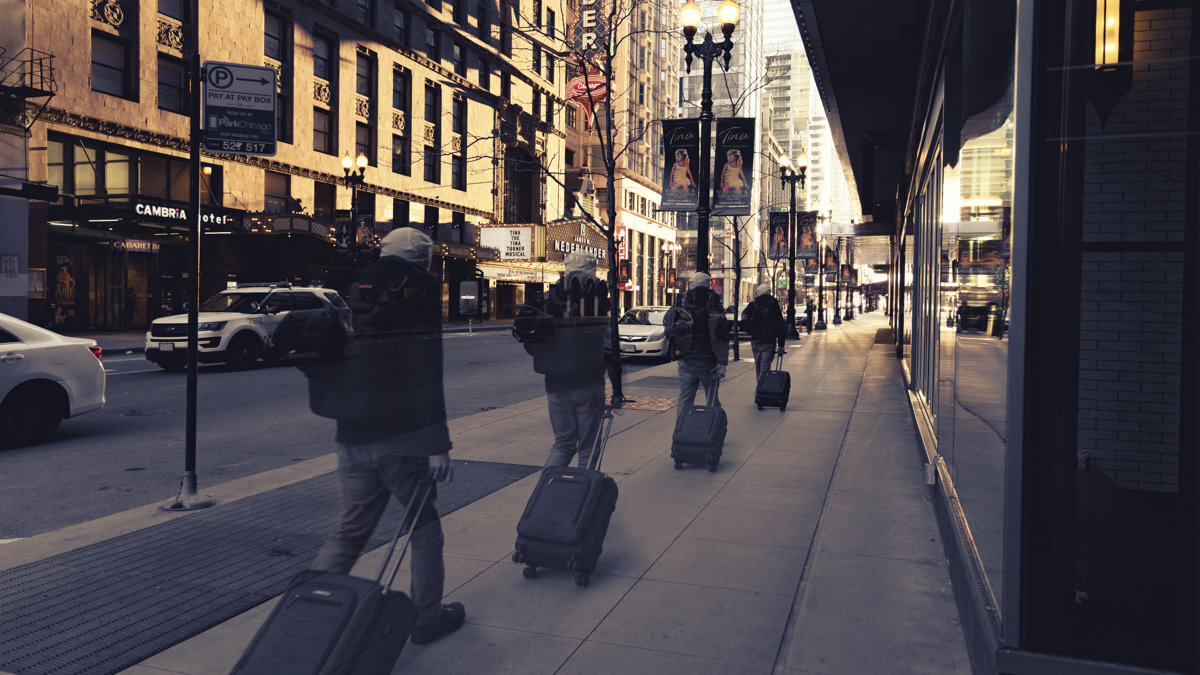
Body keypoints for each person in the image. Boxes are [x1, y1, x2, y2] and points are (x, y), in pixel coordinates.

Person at [299, 227, 465, 646]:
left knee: (350, 533)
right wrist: (437, 444)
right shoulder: (419, 293)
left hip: (352, 435)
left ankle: (302, 618)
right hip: (401, 438)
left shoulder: (355, 291)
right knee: (425, 530)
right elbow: (424, 371)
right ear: (422, 259)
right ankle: (427, 619)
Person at [516, 251, 610, 468]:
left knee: (563, 444)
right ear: (592, 270)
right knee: (589, 447)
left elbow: (529, 339)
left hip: (556, 384)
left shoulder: (546, 299)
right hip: (590, 383)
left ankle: (549, 487)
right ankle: (584, 489)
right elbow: (609, 345)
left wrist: (550, 357)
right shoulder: (597, 300)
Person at [676, 272, 729, 419]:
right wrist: (722, 361)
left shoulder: (683, 303)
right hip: (708, 361)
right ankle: (711, 428)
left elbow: (678, 329)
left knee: (685, 400)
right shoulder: (713, 303)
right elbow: (720, 334)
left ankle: (680, 429)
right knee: (711, 399)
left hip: (686, 360)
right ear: (708, 285)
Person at [742, 284, 786, 380]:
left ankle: (760, 386)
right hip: (769, 341)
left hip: (756, 340)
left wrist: (751, 330)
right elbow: (780, 325)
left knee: (757, 366)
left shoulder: (753, 305)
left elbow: (744, 318)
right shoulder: (774, 306)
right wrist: (781, 344)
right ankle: (763, 386)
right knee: (765, 367)